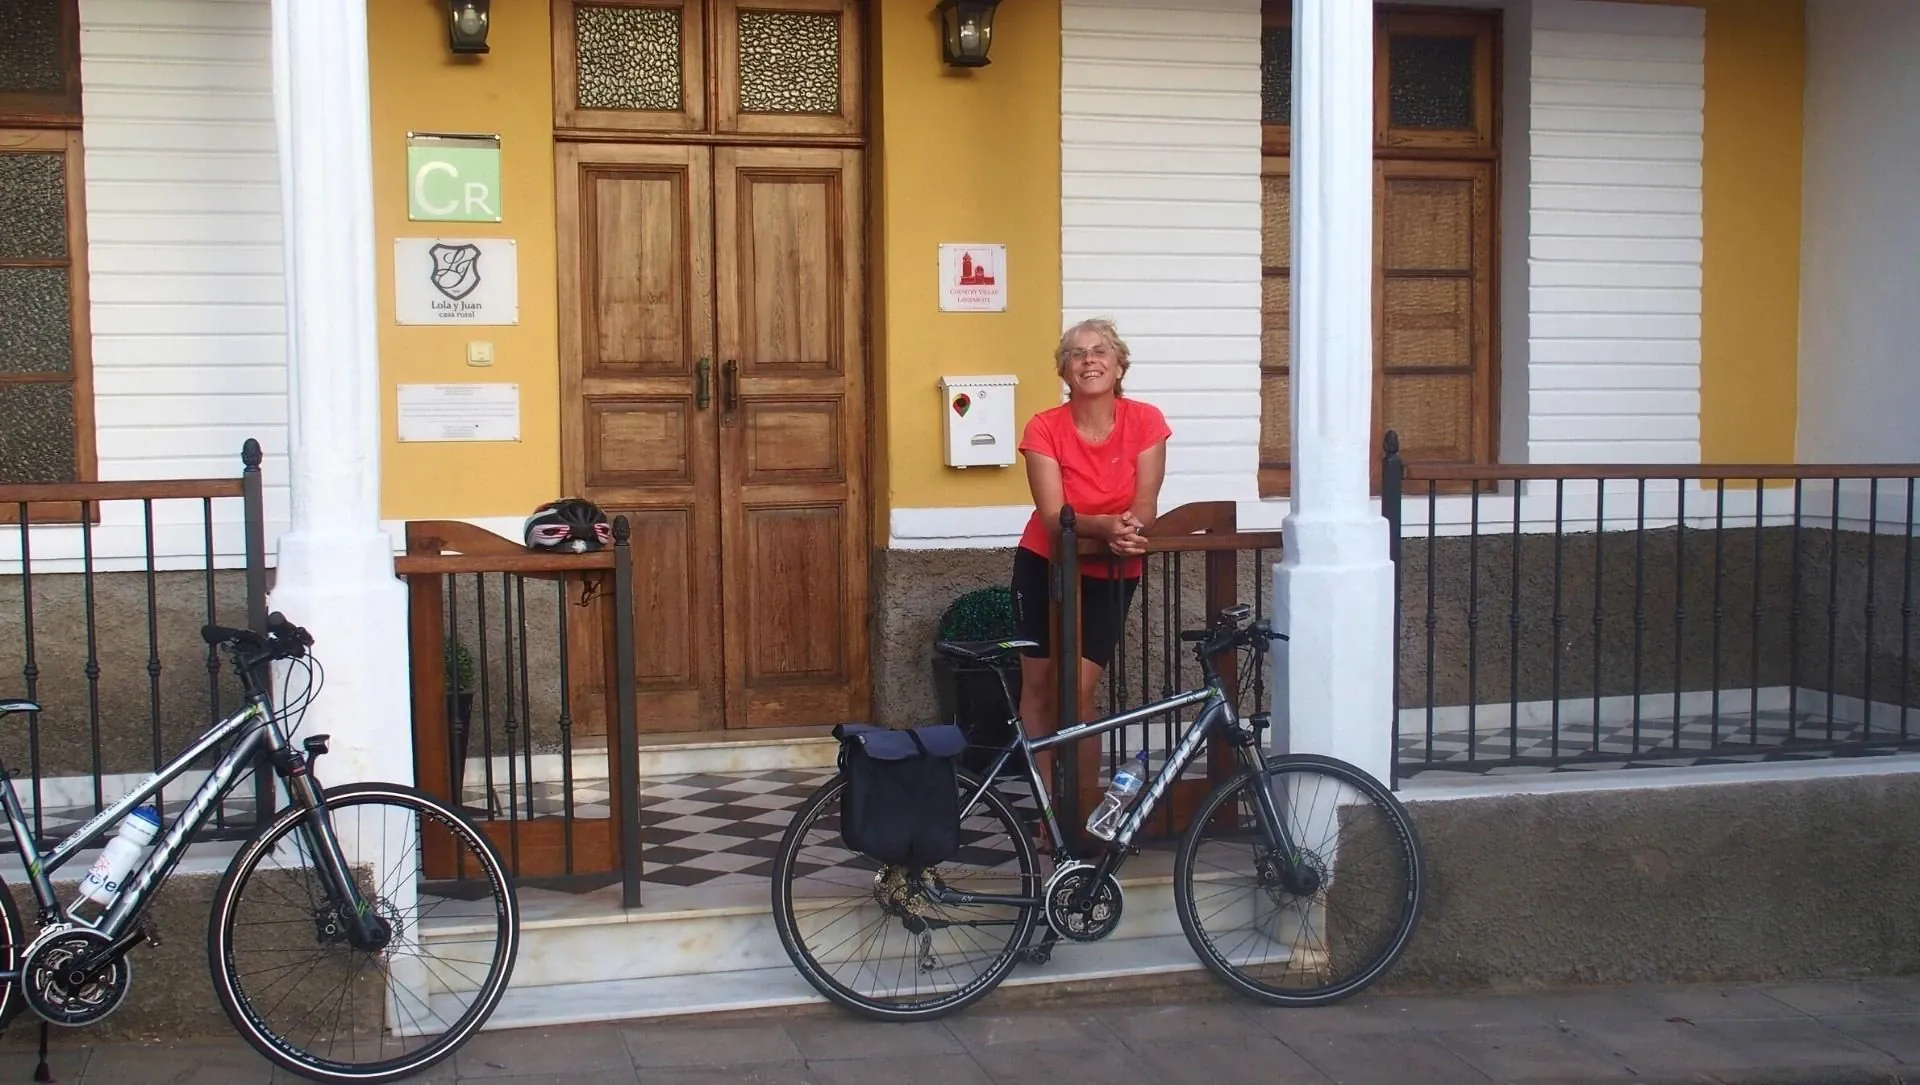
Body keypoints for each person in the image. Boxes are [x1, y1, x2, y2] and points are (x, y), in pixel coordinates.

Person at [1009, 318, 1170, 845]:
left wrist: (1131, 529)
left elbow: (1145, 503)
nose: (1089, 360)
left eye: (1100, 351)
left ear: (1119, 365)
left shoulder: (1145, 420)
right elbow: (1056, 518)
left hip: (1112, 568)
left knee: (1074, 690)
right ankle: (1044, 811)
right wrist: (1104, 525)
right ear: (1064, 370)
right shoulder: (1043, 427)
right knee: (1036, 685)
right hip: (1047, 563)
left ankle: (1078, 811)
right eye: (1077, 354)